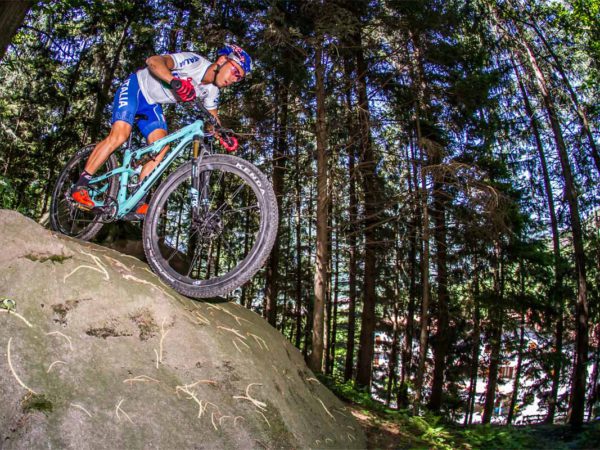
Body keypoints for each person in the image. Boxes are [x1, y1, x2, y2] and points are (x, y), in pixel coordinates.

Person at [71, 43, 251, 218]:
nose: (234, 79)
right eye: (235, 71)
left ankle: (137, 200)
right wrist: (174, 81)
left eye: (239, 78)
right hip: (136, 87)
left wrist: (222, 135)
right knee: (120, 135)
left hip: (151, 105)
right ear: (222, 60)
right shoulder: (195, 62)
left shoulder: (212, 91)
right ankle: (80, 185)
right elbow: (153, 61)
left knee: (161, 147)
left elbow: (212, 120)